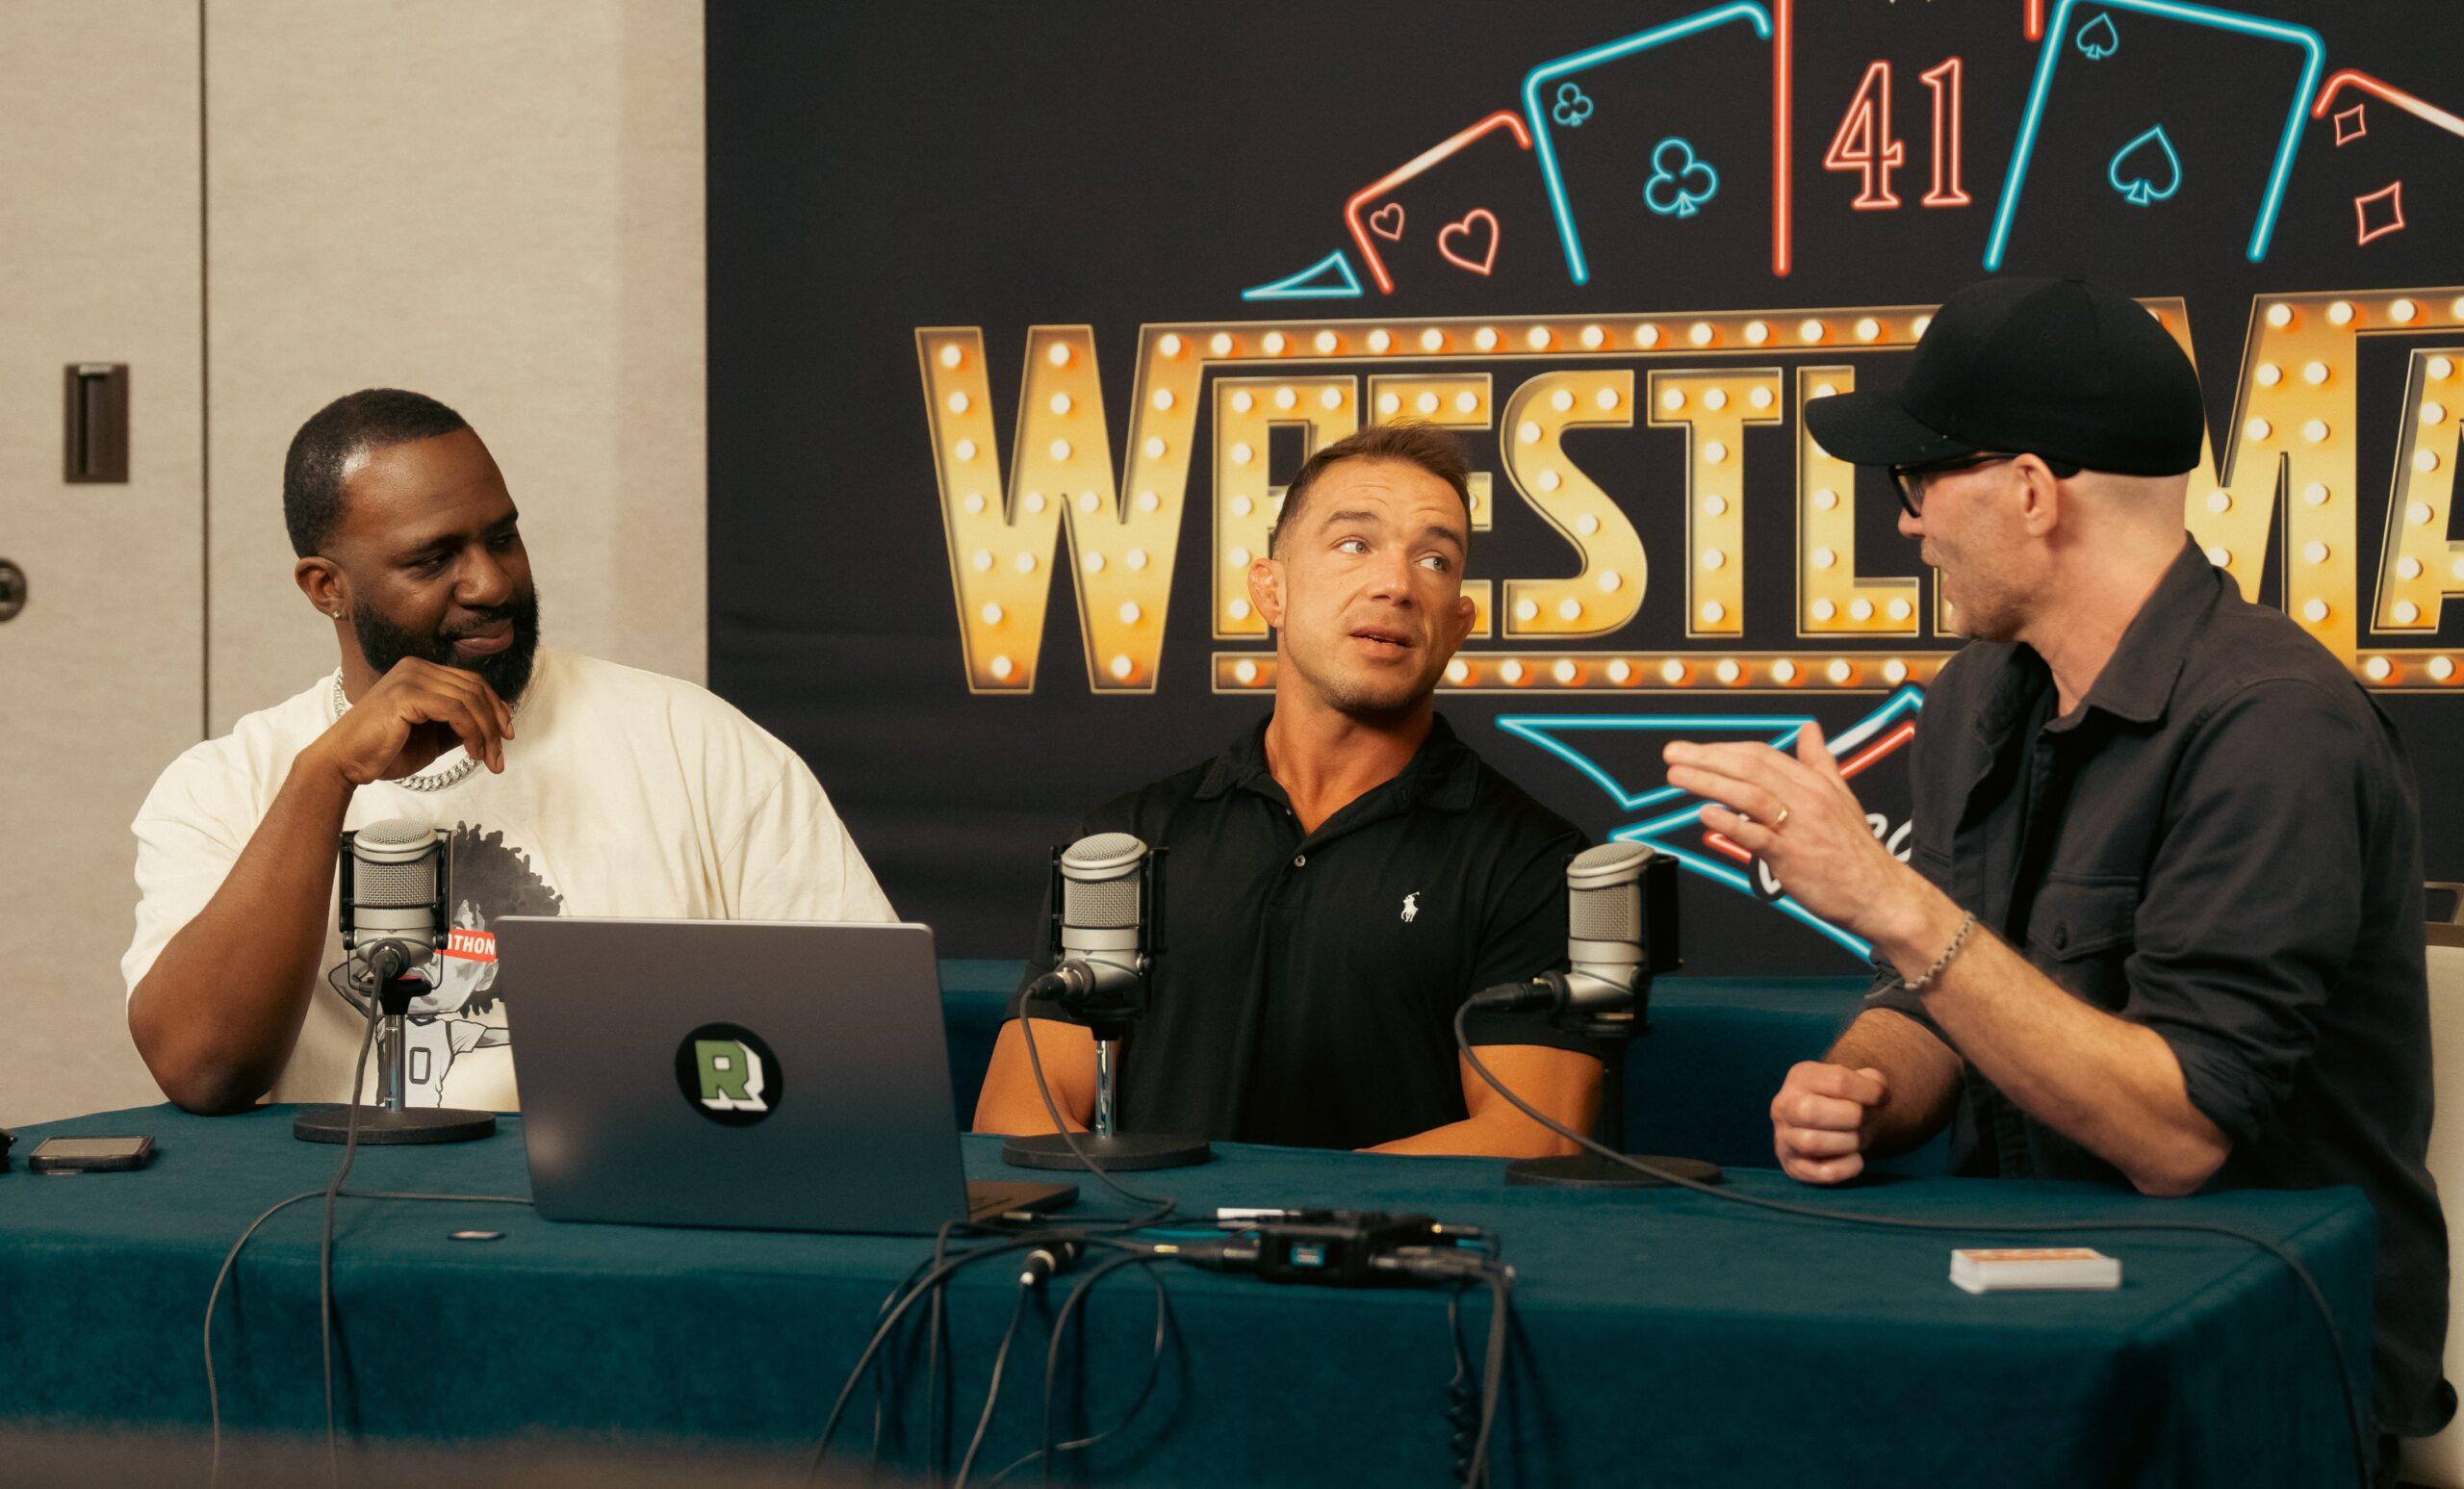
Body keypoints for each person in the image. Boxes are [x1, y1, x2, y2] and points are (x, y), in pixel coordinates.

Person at [1661, 276, 2450, 1449]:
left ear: (2030, 491)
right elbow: (1940, 998)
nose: (1908, 523)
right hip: (2025, 1323)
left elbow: (2180, 1137)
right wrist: (1863, 1088)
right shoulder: (1977, 695)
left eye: (1918, 480)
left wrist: (1888, 900)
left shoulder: (2275, 725)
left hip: (2257, 1372)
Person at [125, 389, 894, 1115]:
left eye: (502, 538)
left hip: (623, 1200)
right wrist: (327, 777)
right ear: (328, 587)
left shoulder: (696, 744)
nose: (491, 584)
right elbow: (204, 1068)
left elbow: (870, 1037)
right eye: (433, 560)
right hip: (337, 1204)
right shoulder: (227, 785)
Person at [972, 423, 1601, 1153]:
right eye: (1355, 544)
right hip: (1155, 1232)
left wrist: (1280, 1213)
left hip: (1384, 1238)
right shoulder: (1126, 842)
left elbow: (1535, 1135)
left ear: (1458, 624)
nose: (1397, 584)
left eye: (1435, 559)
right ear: (1271, 590)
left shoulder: (1533, 861)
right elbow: (1019, 1116)